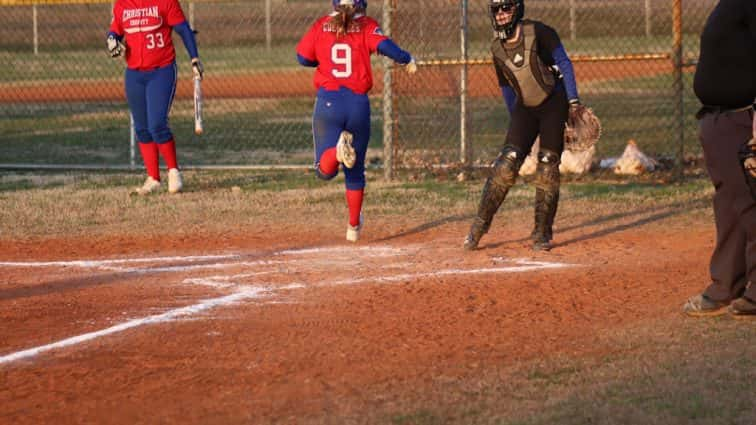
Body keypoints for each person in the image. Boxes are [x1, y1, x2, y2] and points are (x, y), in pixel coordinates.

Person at [463, 0, 582, 252]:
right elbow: (507, 87)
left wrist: (573, 102)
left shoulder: (539, 32)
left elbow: (564, 63)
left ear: (518, 9)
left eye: (506, 8)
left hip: (553, 103)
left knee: (548, 166)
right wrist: (516, 122)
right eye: (497, 10)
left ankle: (541, 233)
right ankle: (479, 226)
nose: (502, 15)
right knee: (507, 163)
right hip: (524, 109)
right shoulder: (497, 48)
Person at [296, 0, 417, 242]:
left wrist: (321, 57)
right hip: (358, 106)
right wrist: (406, 58)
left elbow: (302, 58)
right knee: (356, 171)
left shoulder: (322, 25)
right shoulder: (366, 26)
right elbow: (387, 47)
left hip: (329, 103)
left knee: (324, 170)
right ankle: (353, 227)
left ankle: (338, 154)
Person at [683, 0, 756, 318]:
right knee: (728, 205)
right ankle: (727, 284)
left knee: (750, 204)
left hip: (743, 119)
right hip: (720, 119)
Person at [107, 0, 203, 195]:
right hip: (134, 74)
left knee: (157, 124)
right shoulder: (123, 5)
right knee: (142, 127)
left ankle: (174, 172)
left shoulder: (165, 2)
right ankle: (153, 178)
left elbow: (184, 29)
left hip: (162, 70)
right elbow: (115, 30)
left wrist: (194, 59)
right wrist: (111, 40)